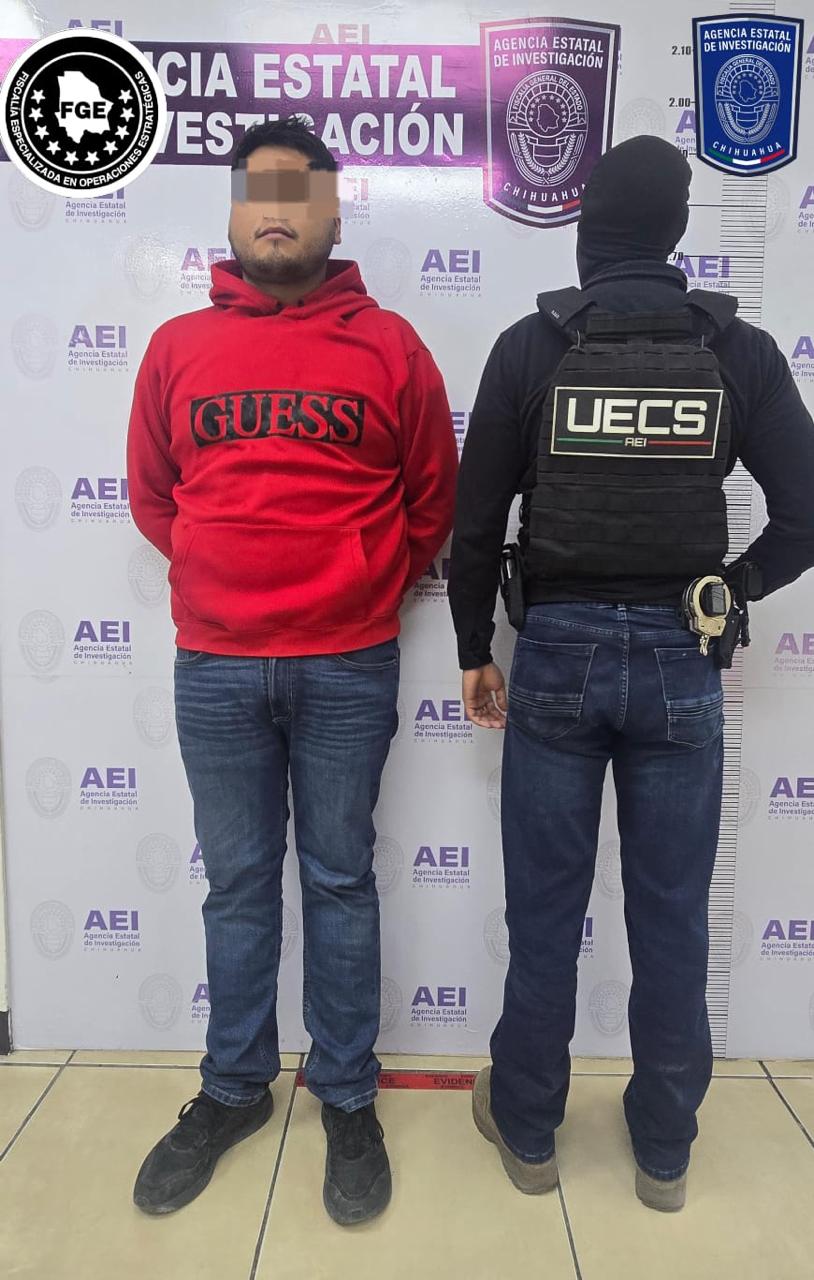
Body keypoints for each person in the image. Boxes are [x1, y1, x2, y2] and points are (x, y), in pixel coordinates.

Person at [448, 135, 814, 1212]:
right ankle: (663, 1152)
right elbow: (805, 514)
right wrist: (732, 586)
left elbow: (475, 529)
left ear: (585, 233)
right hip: (680, 662)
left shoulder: (531, 345)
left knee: (543, 914)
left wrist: (472, 648)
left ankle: (527, 1129)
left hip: (555, 657)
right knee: (671, 919)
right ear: (675, 233)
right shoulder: (737, 351)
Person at [127, 115, 458, 1224]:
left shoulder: (391, 347)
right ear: (233, 213)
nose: (275, 211)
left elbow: (431, 501)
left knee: (338, 879)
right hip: (216, 667)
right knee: (235, 883)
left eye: (297, 191)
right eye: (256, 191)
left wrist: (359, 581)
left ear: (331, 212)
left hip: (347, 665)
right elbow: (154, 496)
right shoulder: (177, 348)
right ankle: (233, 1087)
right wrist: (220, 574)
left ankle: (347, 1094)